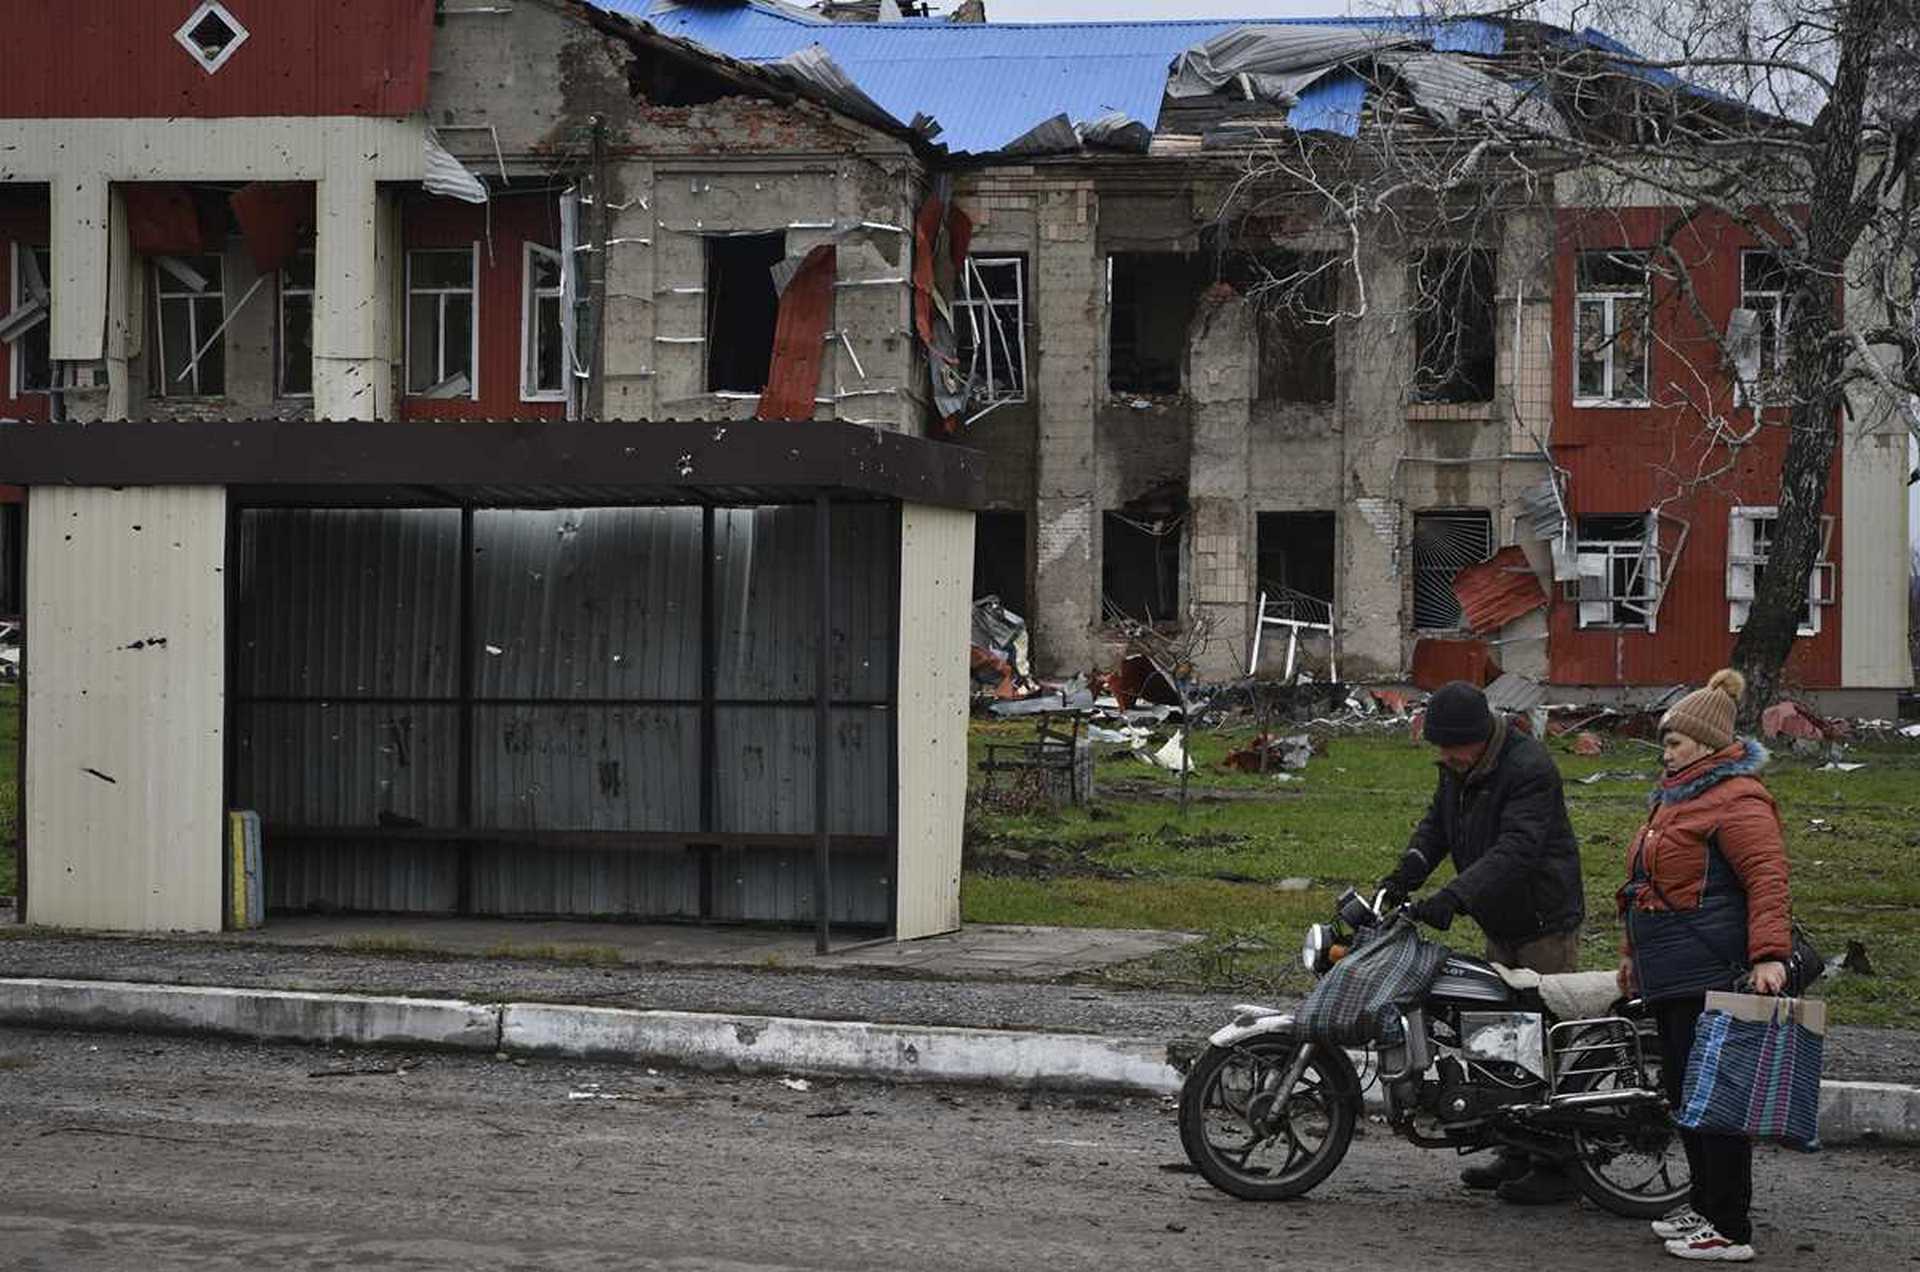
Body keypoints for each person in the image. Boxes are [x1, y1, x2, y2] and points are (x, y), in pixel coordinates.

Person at [1378, 679, 1585, 1204]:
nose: (1446, 758)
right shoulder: (1460, 769)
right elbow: (1437, 828)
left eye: (1453, 748)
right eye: (1441, 749)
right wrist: (1407, 871)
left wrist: (1453, 898)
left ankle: (1556, 1166)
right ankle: (1514, 1149)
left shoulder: (1529, 768)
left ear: (1479, 737)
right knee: (1500, 1035)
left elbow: (1516, 851)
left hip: (1543, 920)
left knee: (1541, 1039)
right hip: (1501, 921)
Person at [1617, 668, 1790, 1264]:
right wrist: (1632, 962)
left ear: (1708, 746)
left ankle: (1730, 1225)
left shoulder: (1737, 799)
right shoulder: (1676, 799)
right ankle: (1705, 1203)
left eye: (1674, 742)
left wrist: (1768, 955)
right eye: (1666, 741)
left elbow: (1767, 878)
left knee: (1717, 1101)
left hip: (1710, 971)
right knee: (1686, 1096)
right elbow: (1644, 888)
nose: (1665, 751)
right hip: (1670, 970)